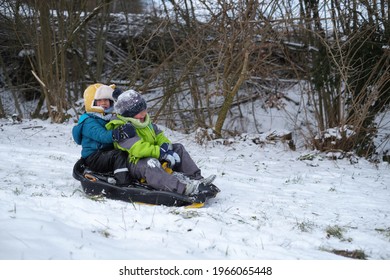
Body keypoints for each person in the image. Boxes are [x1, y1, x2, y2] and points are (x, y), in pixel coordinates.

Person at [105, 89, 216, 196]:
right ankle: (183, 189)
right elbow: (138, 149)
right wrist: (161, 152)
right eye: (139, 112)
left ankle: (196, 179)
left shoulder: (144, 121)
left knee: (178, 148)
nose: (144, 114)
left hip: (153, 152)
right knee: (151, 164)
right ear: (128, 114)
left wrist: (166, 146)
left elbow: (159, 135)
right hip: (134, 162)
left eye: (144, 110)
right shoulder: (122, 127)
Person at [72, 83, 135, 186]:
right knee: (119, 156)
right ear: (92, 102)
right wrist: (120, 133)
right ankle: (123, 183)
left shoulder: (108, 117)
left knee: (126, 151)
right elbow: (103, 136)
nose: (104, 103)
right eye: (100, 100)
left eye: (106, 100)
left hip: (105, 154)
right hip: (93, 158)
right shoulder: (88, 121)